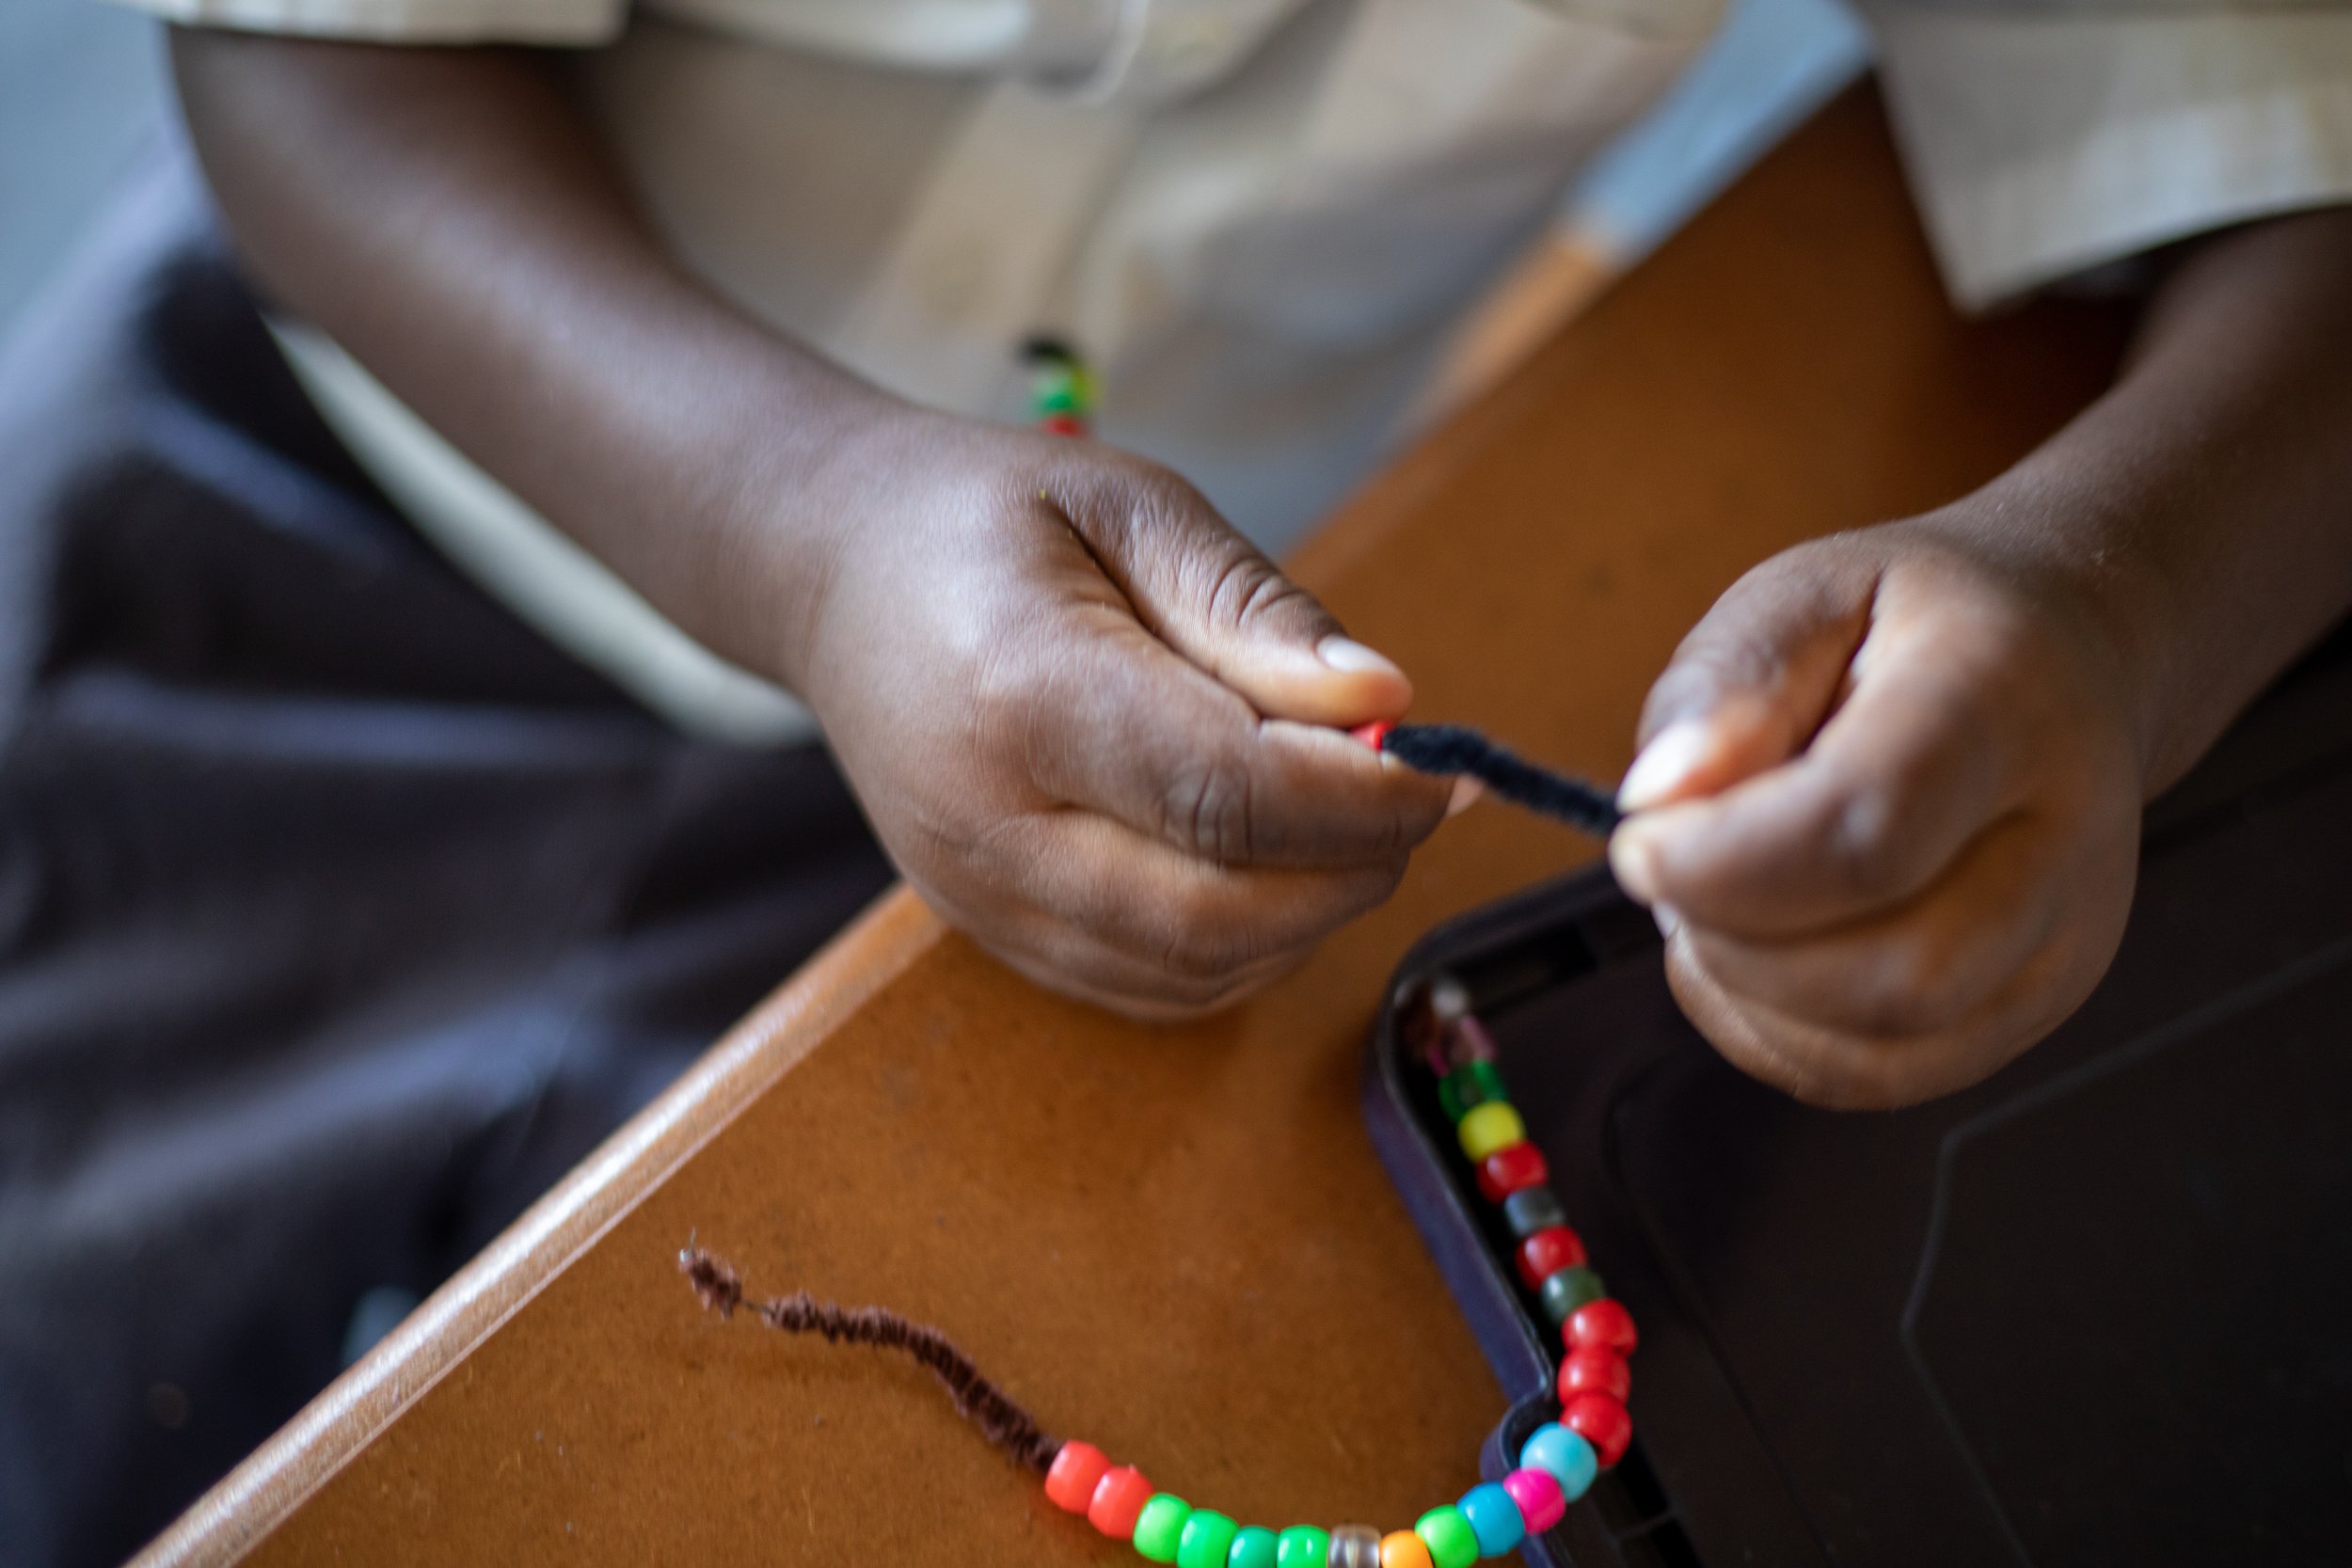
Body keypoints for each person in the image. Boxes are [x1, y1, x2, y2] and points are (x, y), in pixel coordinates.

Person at [2, 0, 2348, 1560]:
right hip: (287, 530)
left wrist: (2113, 614)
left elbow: (2285, 158)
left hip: (1065, 762)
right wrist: (809, 537)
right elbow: (302, 61)